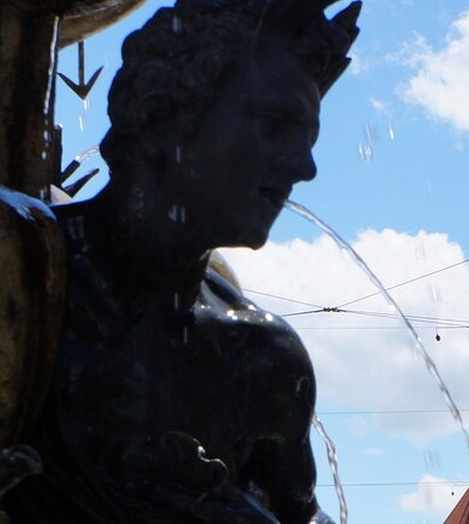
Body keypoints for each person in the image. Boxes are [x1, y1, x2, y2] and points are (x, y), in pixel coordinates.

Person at [2, 1, 360, 522]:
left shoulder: (261, 357)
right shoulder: (22, 282)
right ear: (158, 115)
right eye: (273, 125)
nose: (303, 167)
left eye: (306, 140)